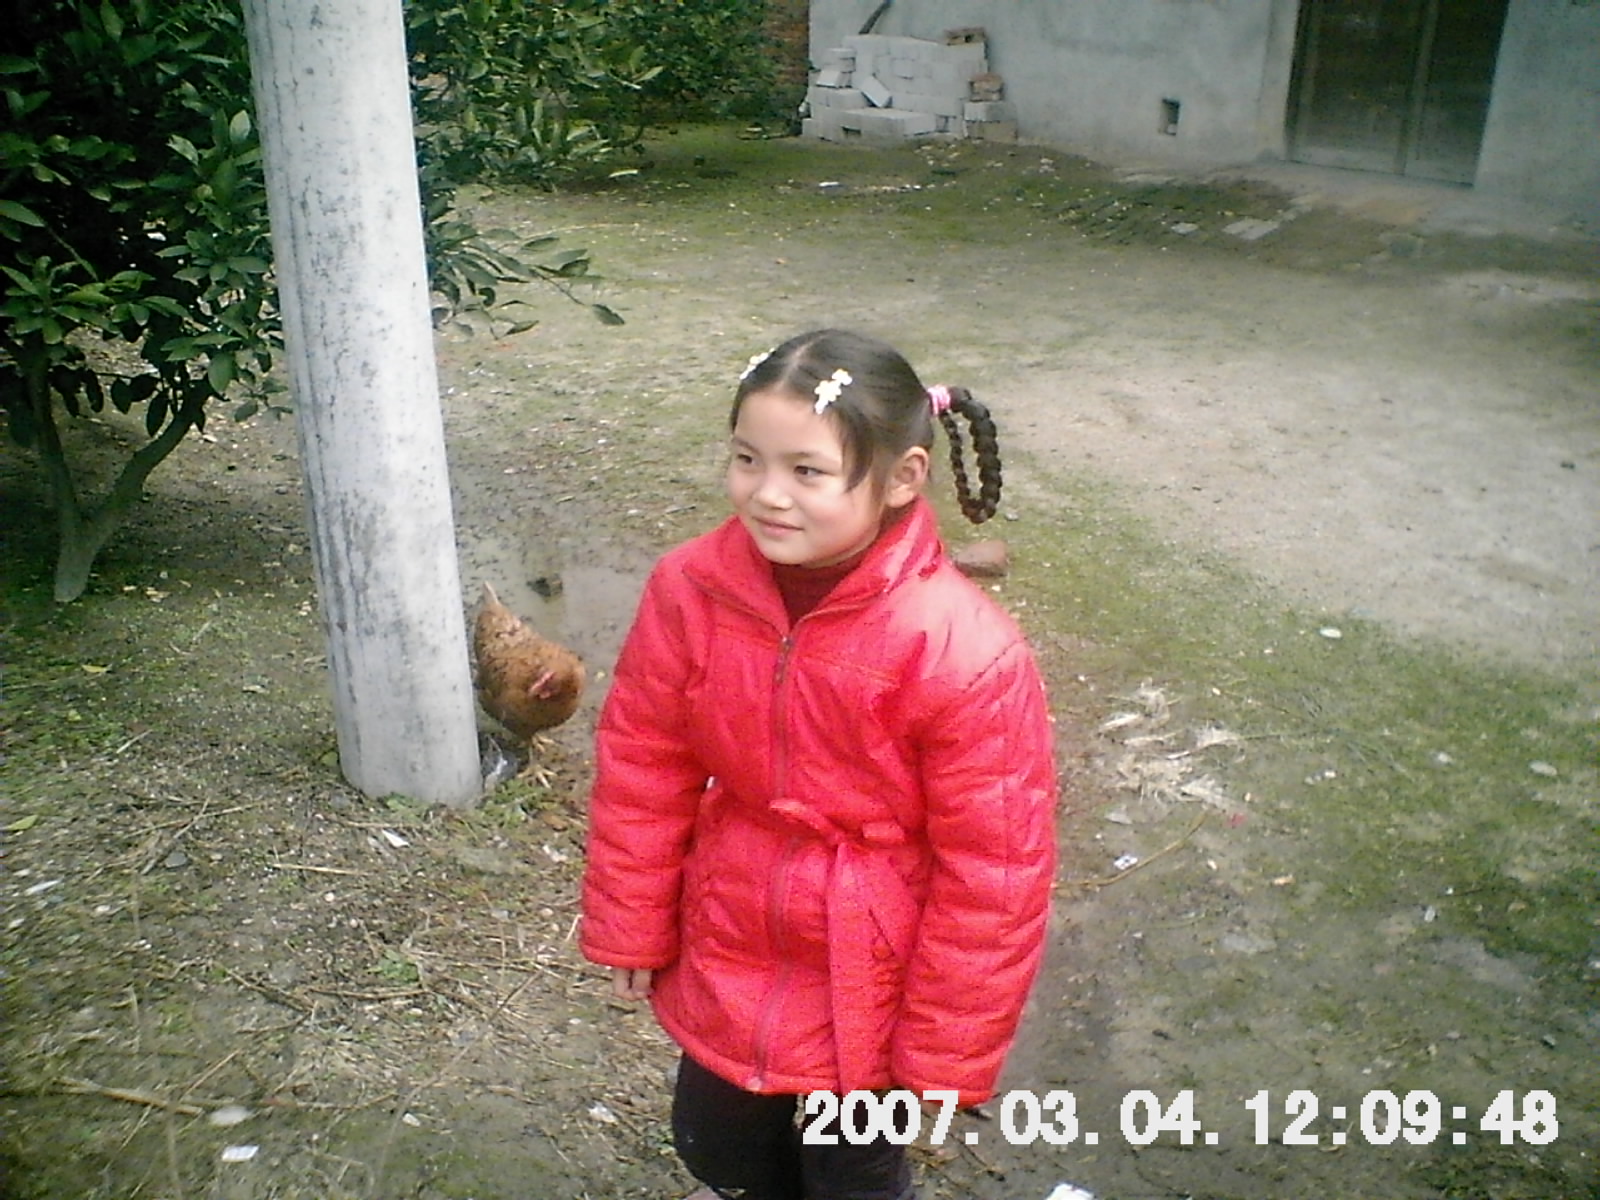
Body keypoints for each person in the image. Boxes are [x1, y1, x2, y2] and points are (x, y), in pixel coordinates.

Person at [580, 329, 1057, 1200]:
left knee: (852, 1179)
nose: (768, 494)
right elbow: (644, 762)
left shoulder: (962, 653)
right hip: (731, 926)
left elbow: (994, 873)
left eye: (807, 470)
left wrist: (944, 1050)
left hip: (873, 973)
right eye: (747, 459)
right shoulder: (690, 590)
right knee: (719, 1150)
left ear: (902, 478)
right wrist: (632, 917)